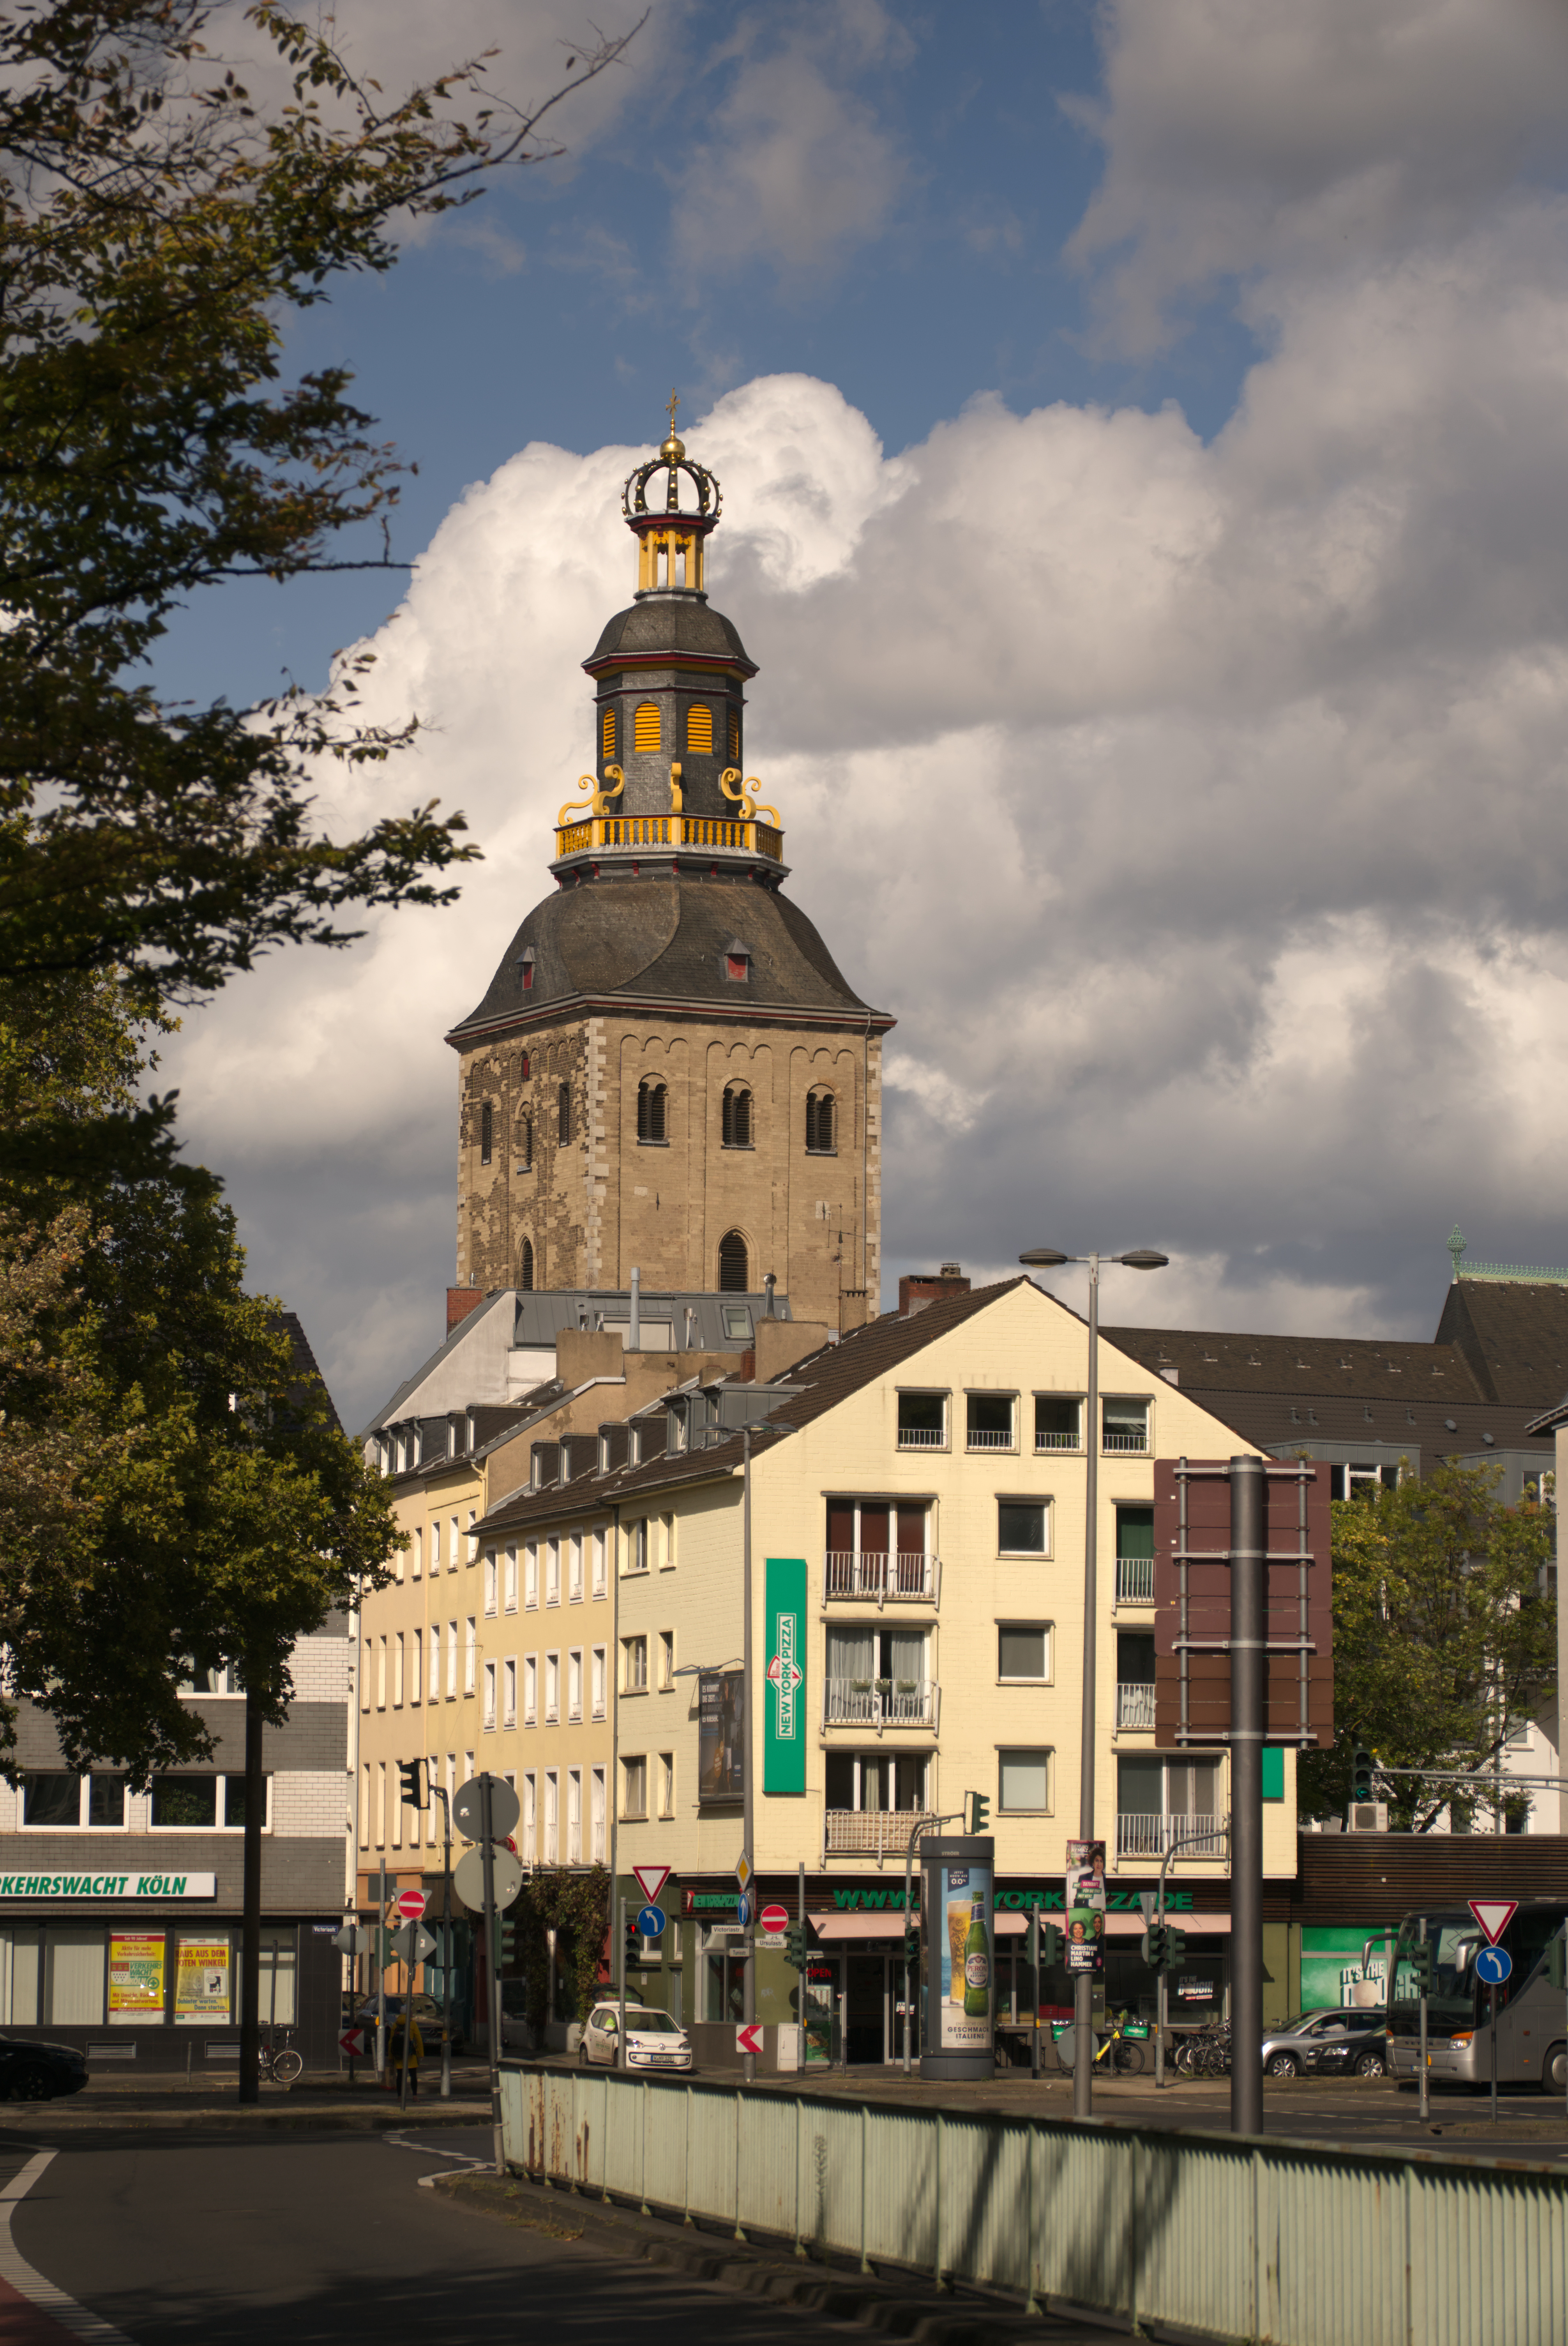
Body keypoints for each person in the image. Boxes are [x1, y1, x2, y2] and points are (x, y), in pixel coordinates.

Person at [387, 2009, 424, 2094]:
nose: (412, 2014)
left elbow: (391, 2042)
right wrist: (421, 2054)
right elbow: (418, 2039)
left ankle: (400, 2097)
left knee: (400, 2076)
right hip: (411, 2055)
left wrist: (391, 2057)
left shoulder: (396, 2025)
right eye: (411, 2012)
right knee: (413, 2076)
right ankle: (415, 2096)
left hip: (398, 2055)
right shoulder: (412, 2024)